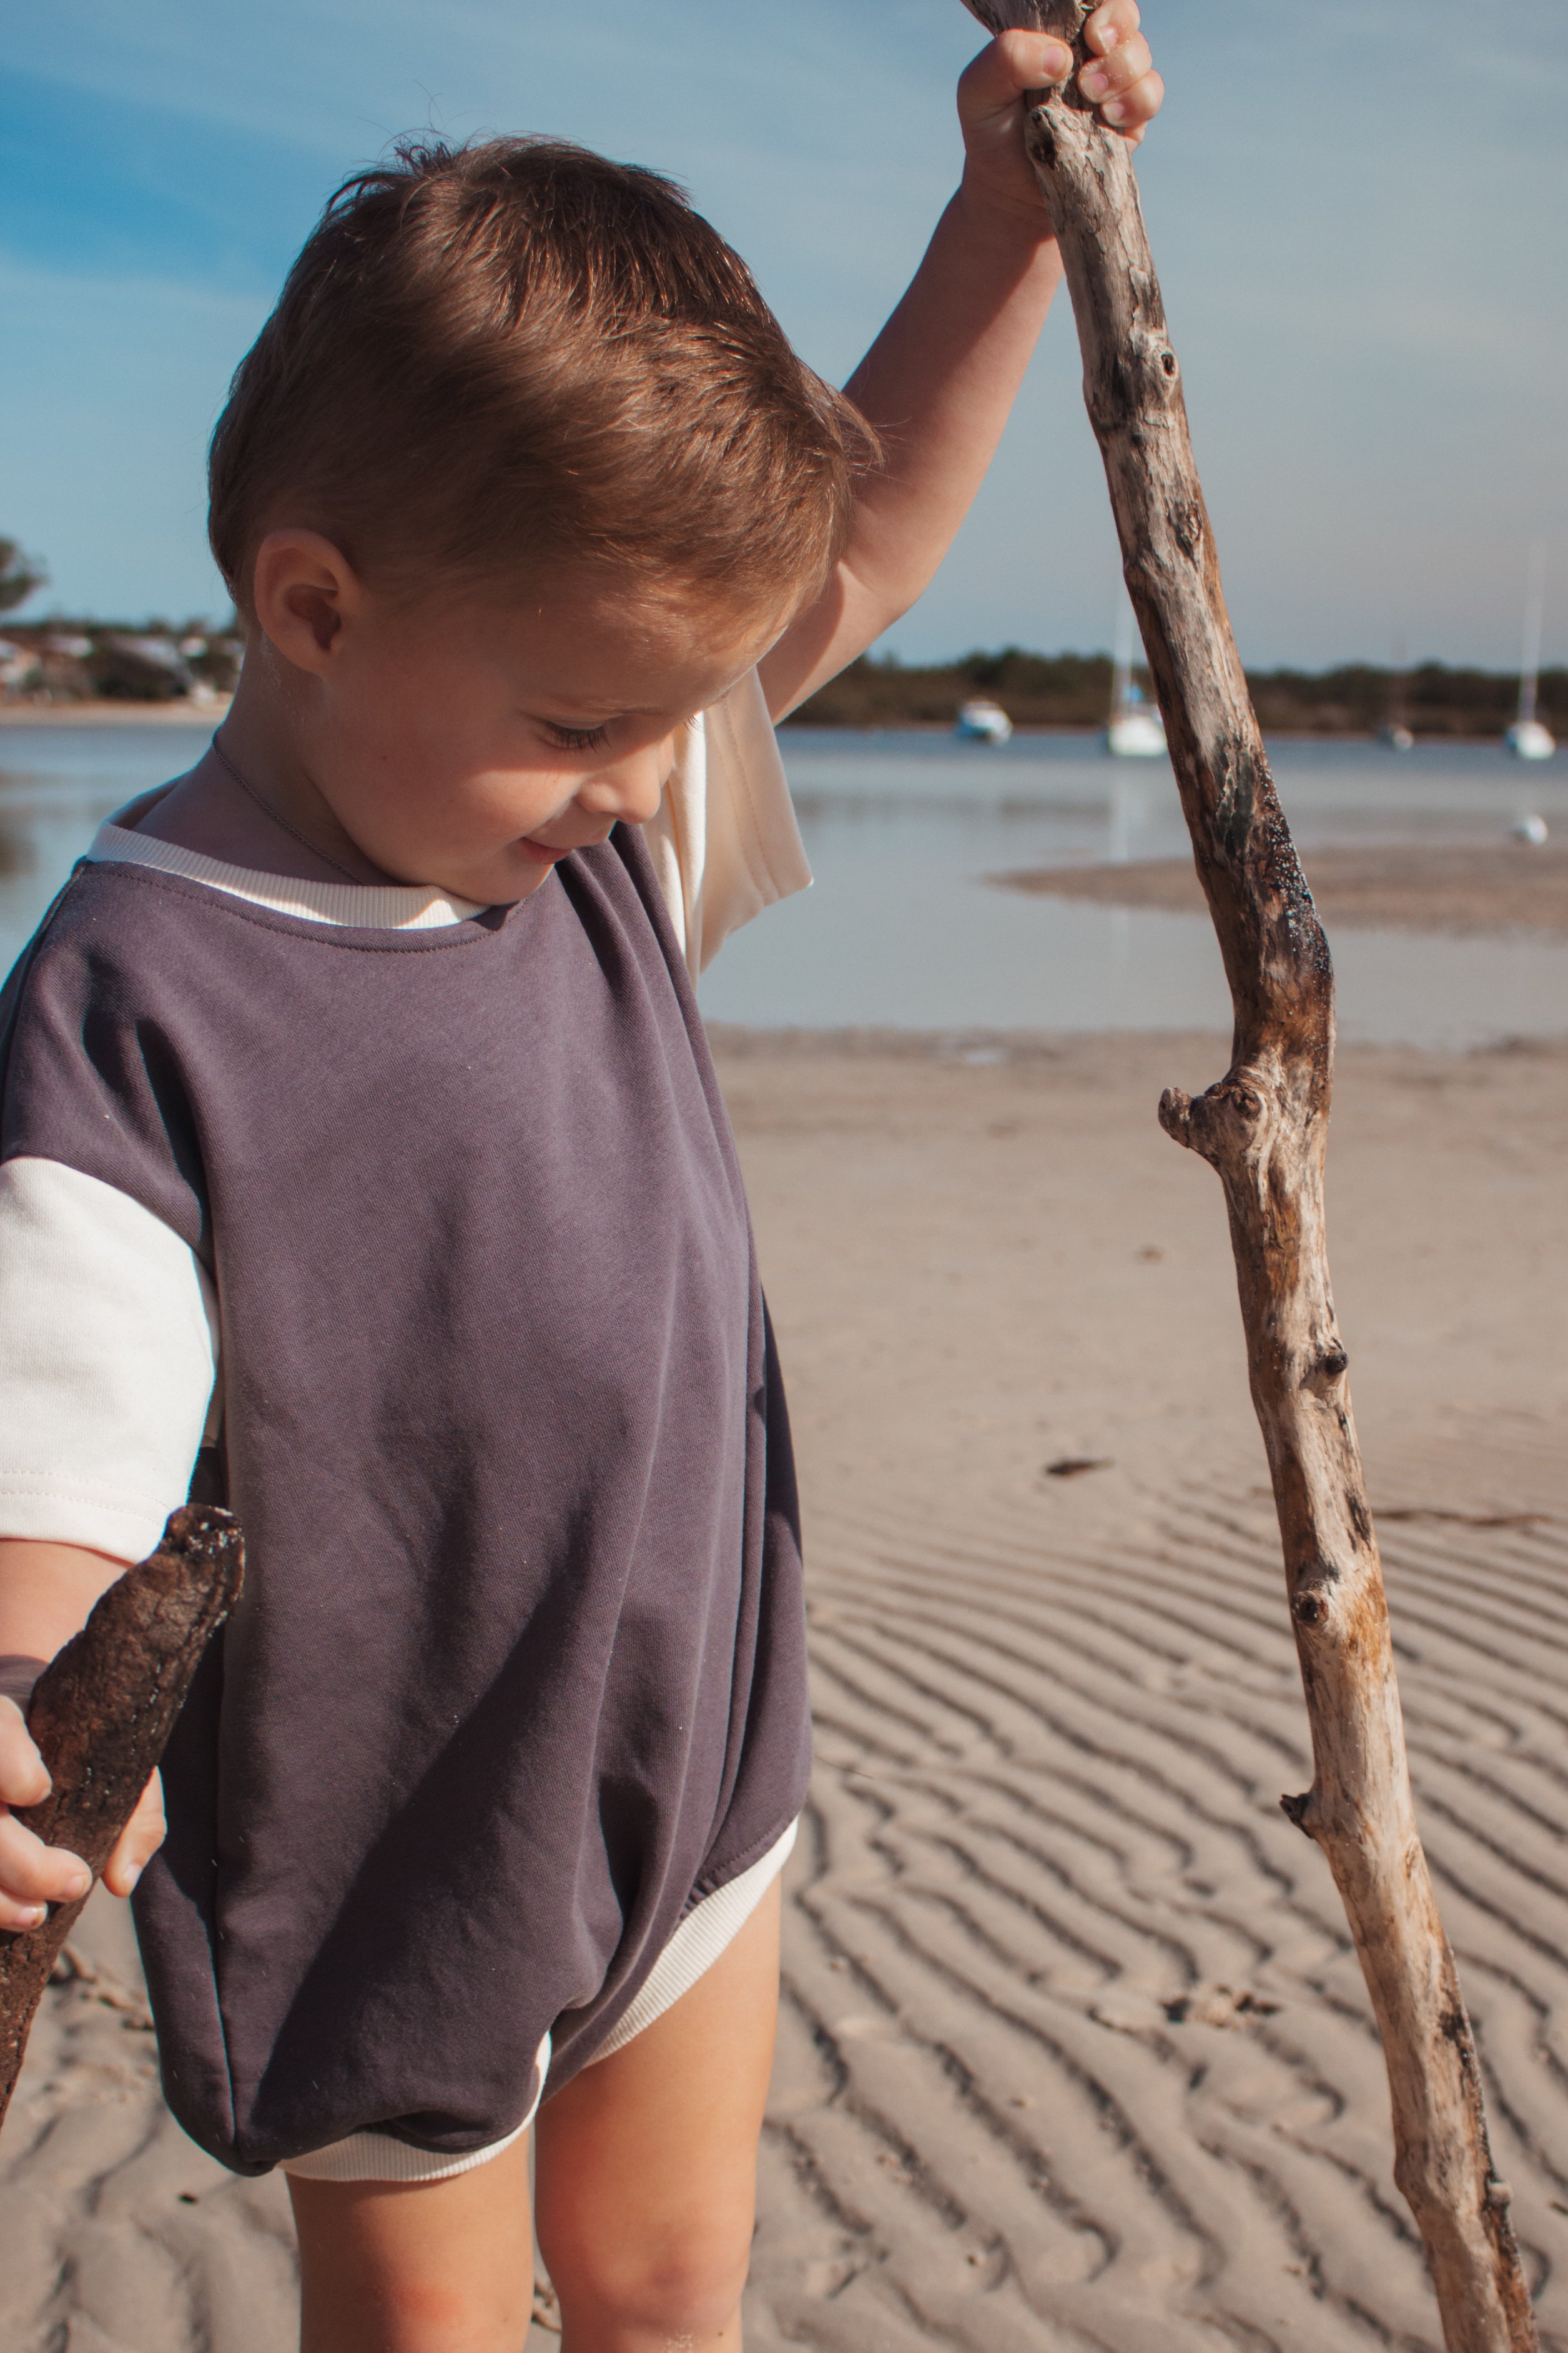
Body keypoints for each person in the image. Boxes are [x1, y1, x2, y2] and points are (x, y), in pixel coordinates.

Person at [0, 13, 1162, 2349]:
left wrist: (1005, 223)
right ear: (313, 606)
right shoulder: (141, 987)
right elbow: (61, 1431)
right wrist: (24, 1698)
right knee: (427, 2329)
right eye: (594, 720)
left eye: (673, 715)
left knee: (664, 2282)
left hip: (684, 1735)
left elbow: (865, 552)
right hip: (390, 1815)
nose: (653, 780)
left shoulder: (576, 816)